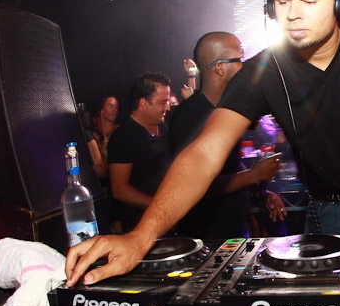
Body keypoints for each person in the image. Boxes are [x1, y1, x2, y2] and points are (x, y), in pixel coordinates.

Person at [66, 0, 340, 286]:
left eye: (308, 0)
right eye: (282, 1)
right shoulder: (263, 71)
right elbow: (203, 153)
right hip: (327, 208)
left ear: (339, 2)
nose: (293, 14)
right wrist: (141, 235)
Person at [168, 31, 286, 238]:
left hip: (234, 229)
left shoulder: (226, 112)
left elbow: (229, 169)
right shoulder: (190, 115)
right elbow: (193, 183)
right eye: (240, 59)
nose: (245, 67)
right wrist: (254, 175)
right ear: (220, 68)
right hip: (208, 236)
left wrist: (260, 193)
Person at [106, 71, 174, 231]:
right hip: (140, 225)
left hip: (167, 220)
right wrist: (158, 205)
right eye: (162, 102)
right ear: (143, 103)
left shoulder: (162, 126)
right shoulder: (124, 136)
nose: (167, 107)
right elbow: (119, 190)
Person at [85, 95, 119, 180]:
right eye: (110, 106)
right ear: (101, 109)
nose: (115, 109)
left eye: (116, 107)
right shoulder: (91, 135)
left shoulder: (120, 132)